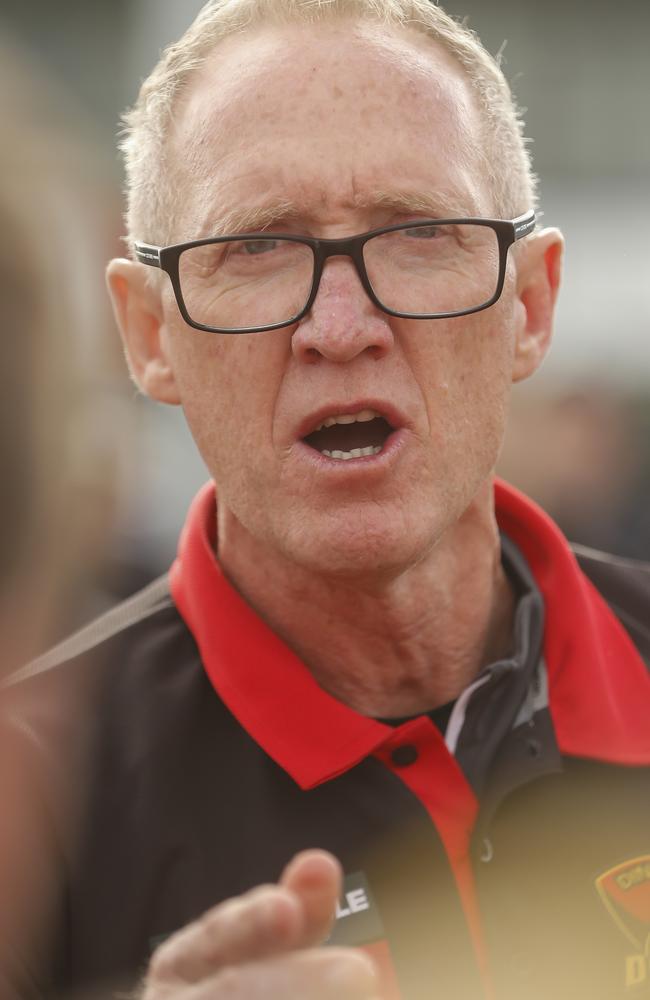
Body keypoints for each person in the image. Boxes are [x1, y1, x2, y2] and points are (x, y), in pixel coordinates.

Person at [2, 1, 649, 998]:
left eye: (419, 233)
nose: (339, 326)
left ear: (529, 306)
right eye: (256, 247)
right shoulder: (33, 796)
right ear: (146, 336)